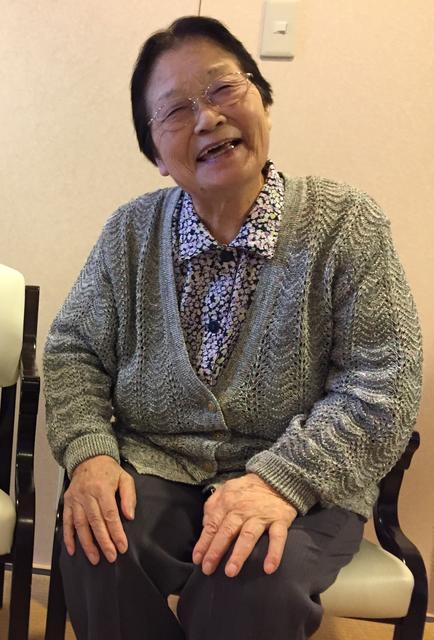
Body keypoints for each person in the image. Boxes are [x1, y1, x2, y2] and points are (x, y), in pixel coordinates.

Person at [43, 15, 423, 640]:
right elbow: (72, 352)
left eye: (223, 88)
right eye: (176, 111)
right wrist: (90, 453)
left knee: (252, 577)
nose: (208, 118)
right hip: (159, 465)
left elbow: (385, 382)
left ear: (262, 100)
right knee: (98, 544)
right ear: (156, 155)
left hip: (306, 480)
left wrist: (282, 480)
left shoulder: (347, 225)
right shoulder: (130, 233)